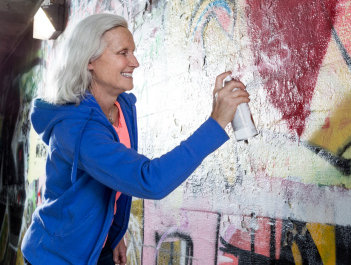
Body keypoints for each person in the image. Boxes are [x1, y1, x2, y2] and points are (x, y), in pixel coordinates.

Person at [21, 14, 249, 264]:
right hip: (58, 256)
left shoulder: (123, 107)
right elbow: (148, 180)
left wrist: (112, 232)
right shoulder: (77, 128)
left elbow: (114, 179)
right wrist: (215, 123)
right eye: (123, 52)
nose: (135, 62)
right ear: (89, 61)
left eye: (134, 52)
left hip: (99, 247)